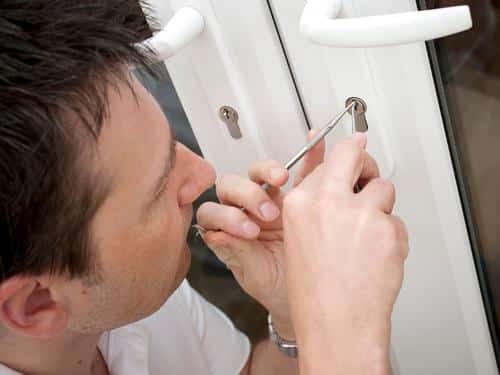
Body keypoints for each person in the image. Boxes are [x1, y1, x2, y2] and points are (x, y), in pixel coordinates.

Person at [0, 1, 408, 374]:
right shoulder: (117, 287)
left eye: (171, 148)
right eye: (158, 189)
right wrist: (341, 328)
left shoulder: (118, 300)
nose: (205, 175)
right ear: (37, 304)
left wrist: (294, 314)